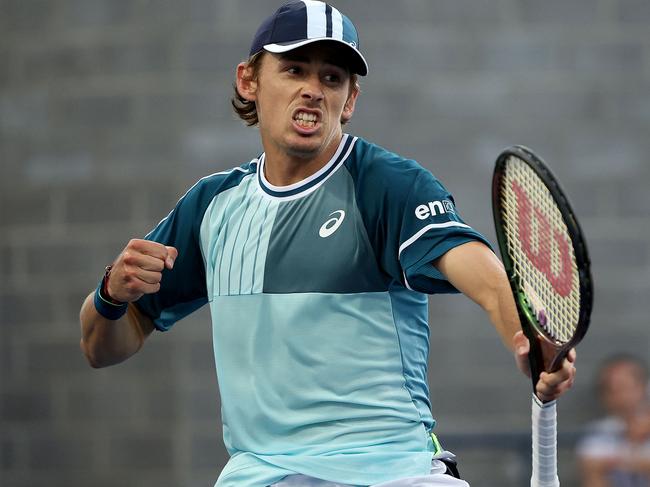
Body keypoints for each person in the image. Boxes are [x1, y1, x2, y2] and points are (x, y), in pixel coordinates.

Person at [79, 2, 577, 486]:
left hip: (391, 471)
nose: (313, 90)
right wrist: (111, 297)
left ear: (351, 99)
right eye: (294, 70)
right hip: (263, 475)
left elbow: (485, 276)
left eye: (331, 78)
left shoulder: (386, 184)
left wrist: (528, 336)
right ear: (248, 81)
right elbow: (101, 348)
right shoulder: (212, 206)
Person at [576, 355, 650, 487]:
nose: (618, 395)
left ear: (643, 386)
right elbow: (592, 470)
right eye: (609, 389)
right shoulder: (598, 433)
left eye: (624, 386)